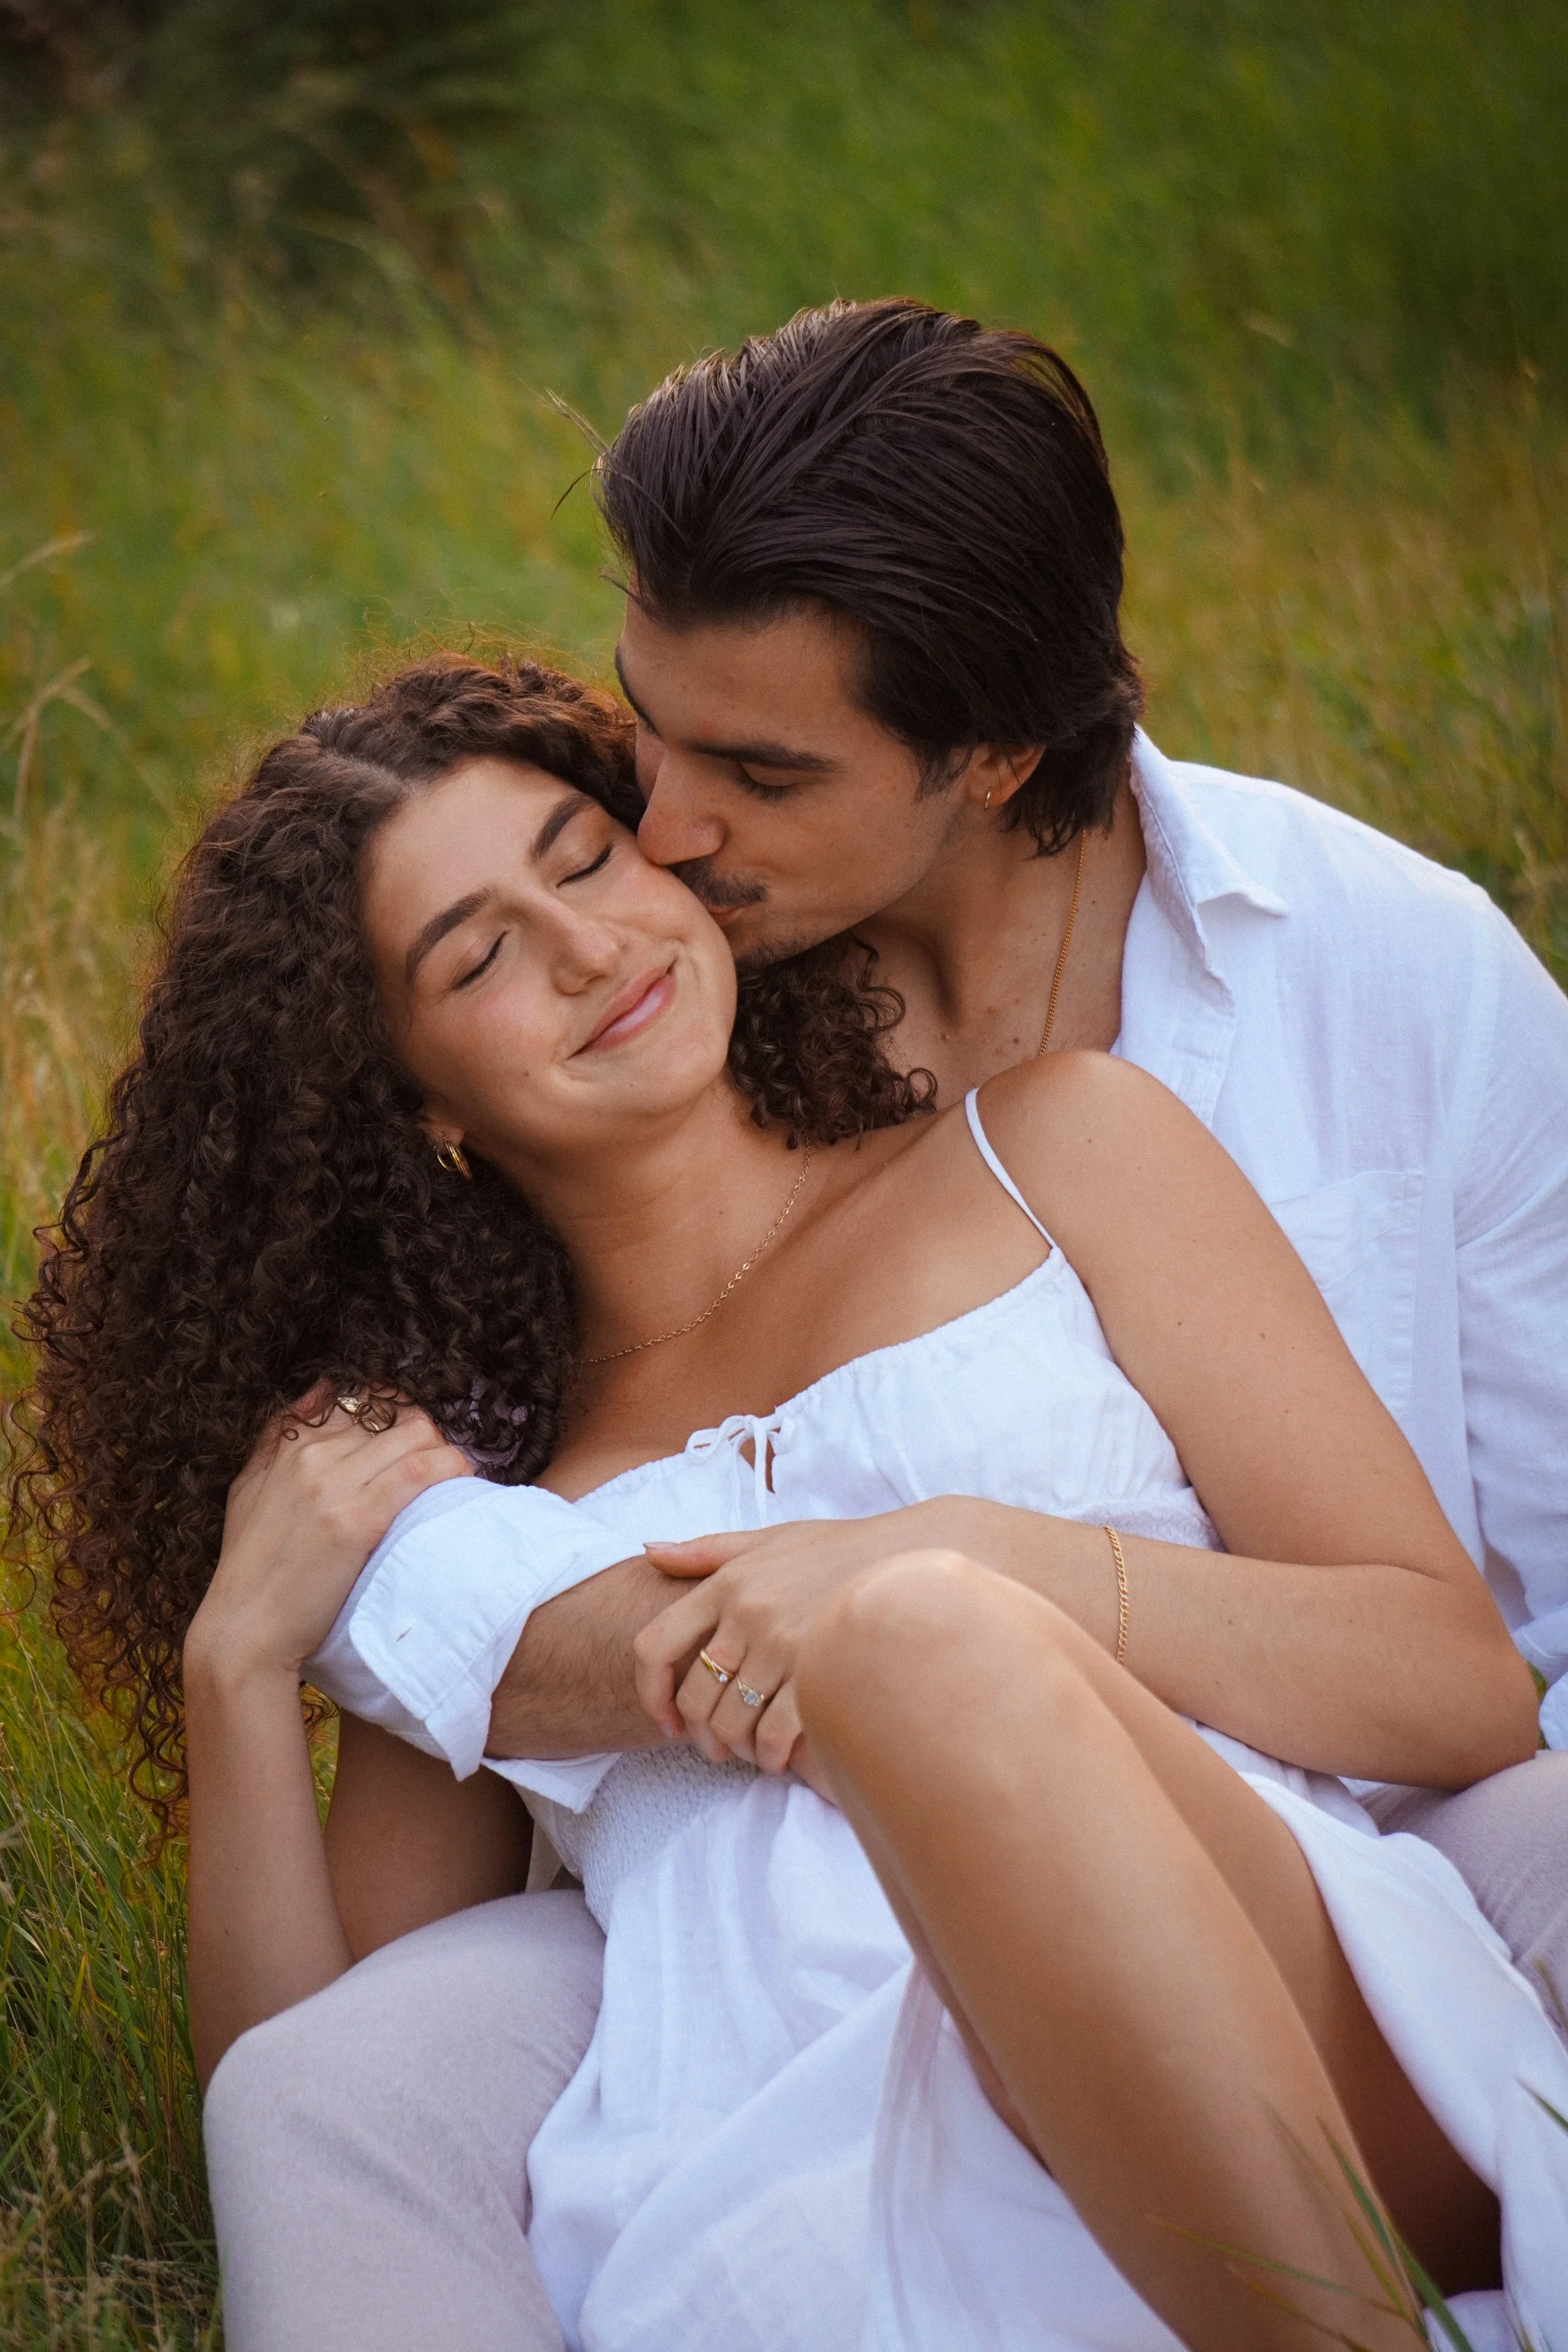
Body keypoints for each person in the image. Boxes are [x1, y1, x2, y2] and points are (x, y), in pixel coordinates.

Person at [194, 300, 1568, 2350]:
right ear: (402, 1092)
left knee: (921, 1641)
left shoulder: (1063, 1136)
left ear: (988, 758)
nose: (642, 868)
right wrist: (241, 1659)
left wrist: (958, 1571)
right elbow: (333, 2072)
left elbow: (1466, 1672)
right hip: (777, 2179)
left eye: (601, 841)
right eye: (487, 951)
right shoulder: (480, 1474)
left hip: (1248, 2003)